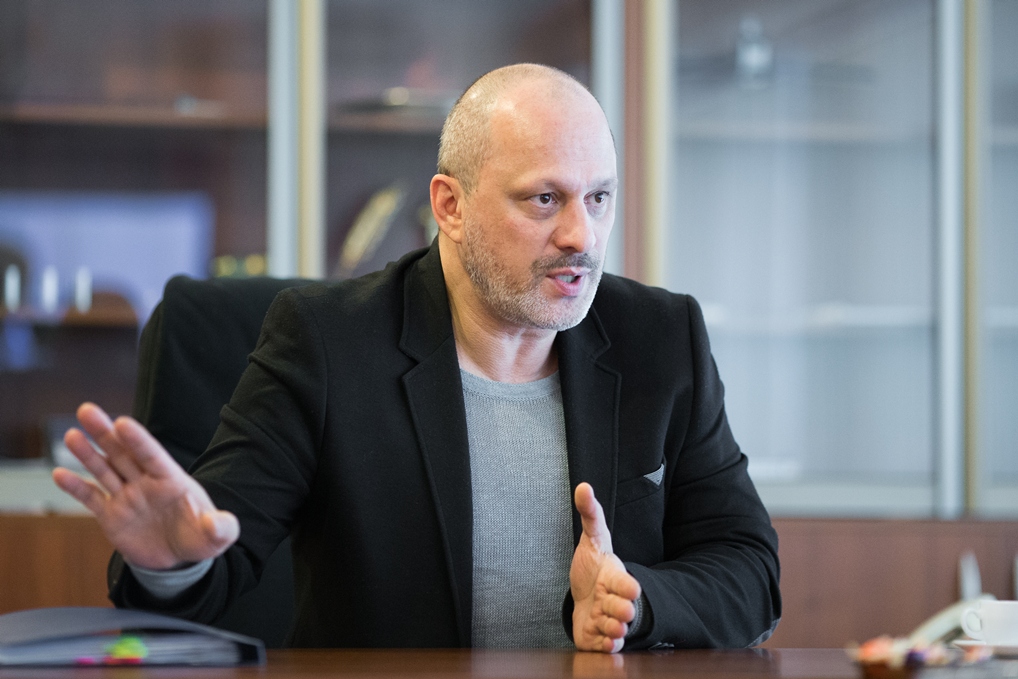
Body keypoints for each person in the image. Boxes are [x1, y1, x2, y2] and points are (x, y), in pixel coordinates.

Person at [53, 64, 780, 652]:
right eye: (544, 199)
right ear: (450, 206)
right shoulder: (327, 342)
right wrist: (173, 560)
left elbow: (749, 566)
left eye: (598, 198)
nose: (580, 236)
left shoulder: (662, 337)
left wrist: (639, 601)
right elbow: (217, 561)